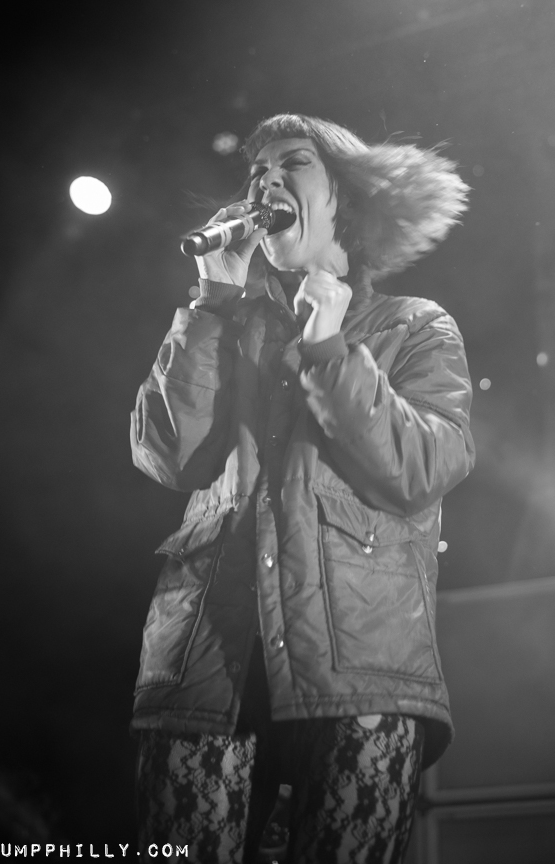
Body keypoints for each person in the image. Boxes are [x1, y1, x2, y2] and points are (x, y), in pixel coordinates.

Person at [130, 113, 475, 864]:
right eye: (256, 171)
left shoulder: (414, 326)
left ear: (344, 197)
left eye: (292, 163)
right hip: (209, 661)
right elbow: (168, 457)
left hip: (360, 669)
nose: (265, 181)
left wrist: (329, 347)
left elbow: (420, 467)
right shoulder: (225, 323)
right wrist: (212, 303)